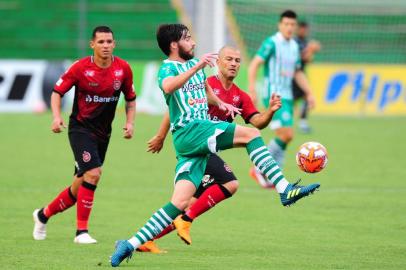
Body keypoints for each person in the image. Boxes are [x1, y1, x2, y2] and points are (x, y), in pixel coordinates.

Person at [110, 23, 319, 267]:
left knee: (178, 203)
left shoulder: (195, 66)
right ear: (174, 45)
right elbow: (168, 87)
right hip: (191, 129)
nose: (194, 42)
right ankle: (284, 189)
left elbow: (205, 89)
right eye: (188, 38)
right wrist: (198, 66)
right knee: (251, 136)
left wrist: (221, 104)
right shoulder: (168, 68)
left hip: (191, 144)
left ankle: (130, 243)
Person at [137, 46, 281, 252]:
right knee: (230, 183)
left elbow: (257, 122)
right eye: (229, 59)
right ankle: (186, 220)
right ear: (218, 62)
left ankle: (147, 238)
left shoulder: (240, 96)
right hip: (196, 145)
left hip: (208, 153)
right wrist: (160, 136)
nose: (233, 63)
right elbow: (175, 109)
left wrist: (271, 111)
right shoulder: (205, 84)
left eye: (237, 61)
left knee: (188, 202)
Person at [32, 26, 136, 244]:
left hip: (103, 134)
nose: (105, 46)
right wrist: (56, 117)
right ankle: (81, 233)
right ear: (92, 45)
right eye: (101, 42)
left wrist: (129, 122)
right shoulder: (80, 68)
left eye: (109, 42)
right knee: (94, 174)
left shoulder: (123, 69)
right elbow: (57, 92)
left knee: (80, 185)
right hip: (80, 129)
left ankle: (43, 215)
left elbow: (130, 98)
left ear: (114, 44)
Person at [248, 10, 316, 172]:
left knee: (286, 137)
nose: (289, 27)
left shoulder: (294, 46)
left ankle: (274, 172)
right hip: (274, 95)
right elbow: (255, 63)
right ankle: (259, 169)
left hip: (288, 96)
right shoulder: (271, 43)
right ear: (280, 25)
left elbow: (298, 72)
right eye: (286, 24)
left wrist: (309, 93)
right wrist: (252, 88)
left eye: (292, 24)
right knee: (286, 135)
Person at [292, 21, 321, 133]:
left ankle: (303, 122)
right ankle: (277, 120)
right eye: (302, 28)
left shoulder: (304, 42)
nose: (304, 31)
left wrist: (312, 51)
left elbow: (308, 59)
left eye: (306, 29)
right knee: (289, 100)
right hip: (292, 76)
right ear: (298, 29)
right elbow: (299, 57)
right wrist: (310, 49)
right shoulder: (295, 41)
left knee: (306, 97)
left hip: (301, 75)